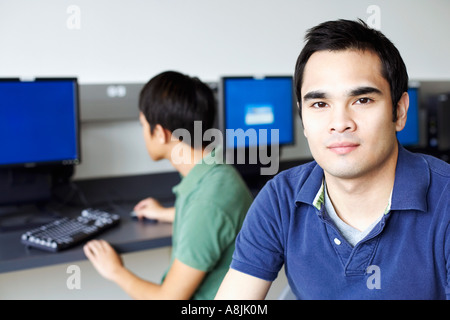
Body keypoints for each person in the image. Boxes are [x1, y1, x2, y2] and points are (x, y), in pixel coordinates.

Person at [215, 19, 450, 300]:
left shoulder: (445, 201)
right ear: (303, 117)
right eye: (320, 104)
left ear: (399, 111)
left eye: (362, 100)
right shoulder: (280, 198)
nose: (339, 123)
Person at [84, 71, 253, 300]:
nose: (143, 132)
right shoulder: (215, 174)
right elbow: (214, 221)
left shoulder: (208, 201)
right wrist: (165, 213)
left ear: (161, 133)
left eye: (143, 124)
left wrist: (115, 271)